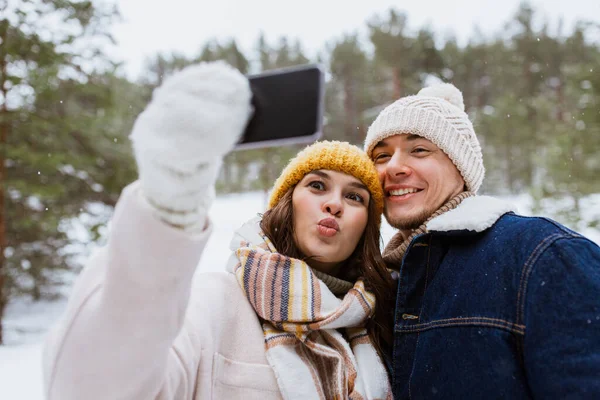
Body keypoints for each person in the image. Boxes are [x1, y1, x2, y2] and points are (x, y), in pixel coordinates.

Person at [42, 61, 395, 400]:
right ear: (286, 205)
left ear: (367, 226)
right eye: (317, 186)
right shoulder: (216, 304)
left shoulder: (378, 326)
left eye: (354, 197)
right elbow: (97, 388)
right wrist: (168, 202)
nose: (334, 203)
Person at [363, 82, 600, 398]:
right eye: (381, 155)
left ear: (461, 167)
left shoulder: (541, 255)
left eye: (419, 149)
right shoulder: (379, 284)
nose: (393, 167)